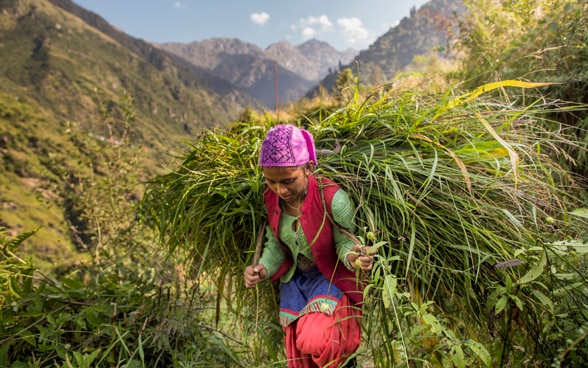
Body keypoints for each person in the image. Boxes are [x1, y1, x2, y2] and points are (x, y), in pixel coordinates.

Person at [244, 124, 375, 368]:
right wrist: (262, 269)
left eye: (288, 180)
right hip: (295, 283)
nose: (280, 190)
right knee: (301, 359)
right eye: (271, 182)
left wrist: (356, 258)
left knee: (318, 340)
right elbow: (275, 244)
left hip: (330, 278)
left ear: (309, 168)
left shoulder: (332, 199)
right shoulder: (272, 199)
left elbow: (345, 241)